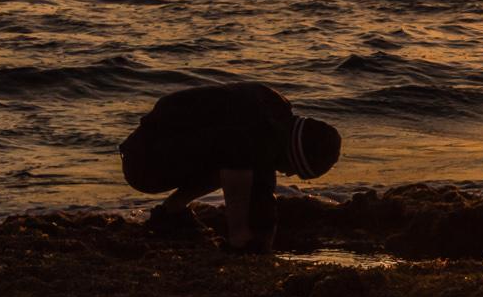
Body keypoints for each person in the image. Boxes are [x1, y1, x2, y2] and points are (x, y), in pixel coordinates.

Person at [119, 81, 340, 252]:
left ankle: (172, 211)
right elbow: (238, 183)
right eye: (295, 169)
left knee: (245, 160)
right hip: (144, 162)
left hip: (151, 150)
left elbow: (263, 188)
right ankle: (230, 234)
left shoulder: (272, 119)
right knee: (238, 162)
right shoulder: (253, 129)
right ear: (295, 153)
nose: (289, 173)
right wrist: (240, 238)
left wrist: (264, 240)